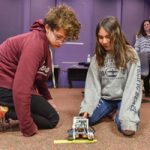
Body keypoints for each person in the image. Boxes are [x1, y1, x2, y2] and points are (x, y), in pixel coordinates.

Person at [0, 5, 81, 136]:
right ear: (47, 28)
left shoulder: (43, 42)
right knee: (52, 119)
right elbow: (21, 87)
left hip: (8, 84)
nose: (61, 42)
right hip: (4, 86)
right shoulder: (36, 44)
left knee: (49, 115)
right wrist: (27, 127)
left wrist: (48, 99)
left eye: (64, 39)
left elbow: (39, 78)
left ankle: (7, 109)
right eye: (58, 37)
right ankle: (4, 110)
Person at [79, 16, 142, 136]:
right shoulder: (97, 57)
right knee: (87, 120)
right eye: (100, 37)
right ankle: (112, 111)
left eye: (108, 37)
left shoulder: (130, 54)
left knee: (127, 128)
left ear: (116, 35)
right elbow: (92, 86)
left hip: (124, 99)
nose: (104, 41)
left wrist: (128, 115)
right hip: (105, 99)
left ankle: (118, 113)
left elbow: (134, 87)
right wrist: (86, 109)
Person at [134, 19, 150, 97]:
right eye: (144, 25)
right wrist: (135, 55)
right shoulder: (139, 36)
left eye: (147, 24)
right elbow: (137, 46)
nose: (146, 26)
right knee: (146, 75)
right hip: (144, 57)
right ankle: (147, 91)